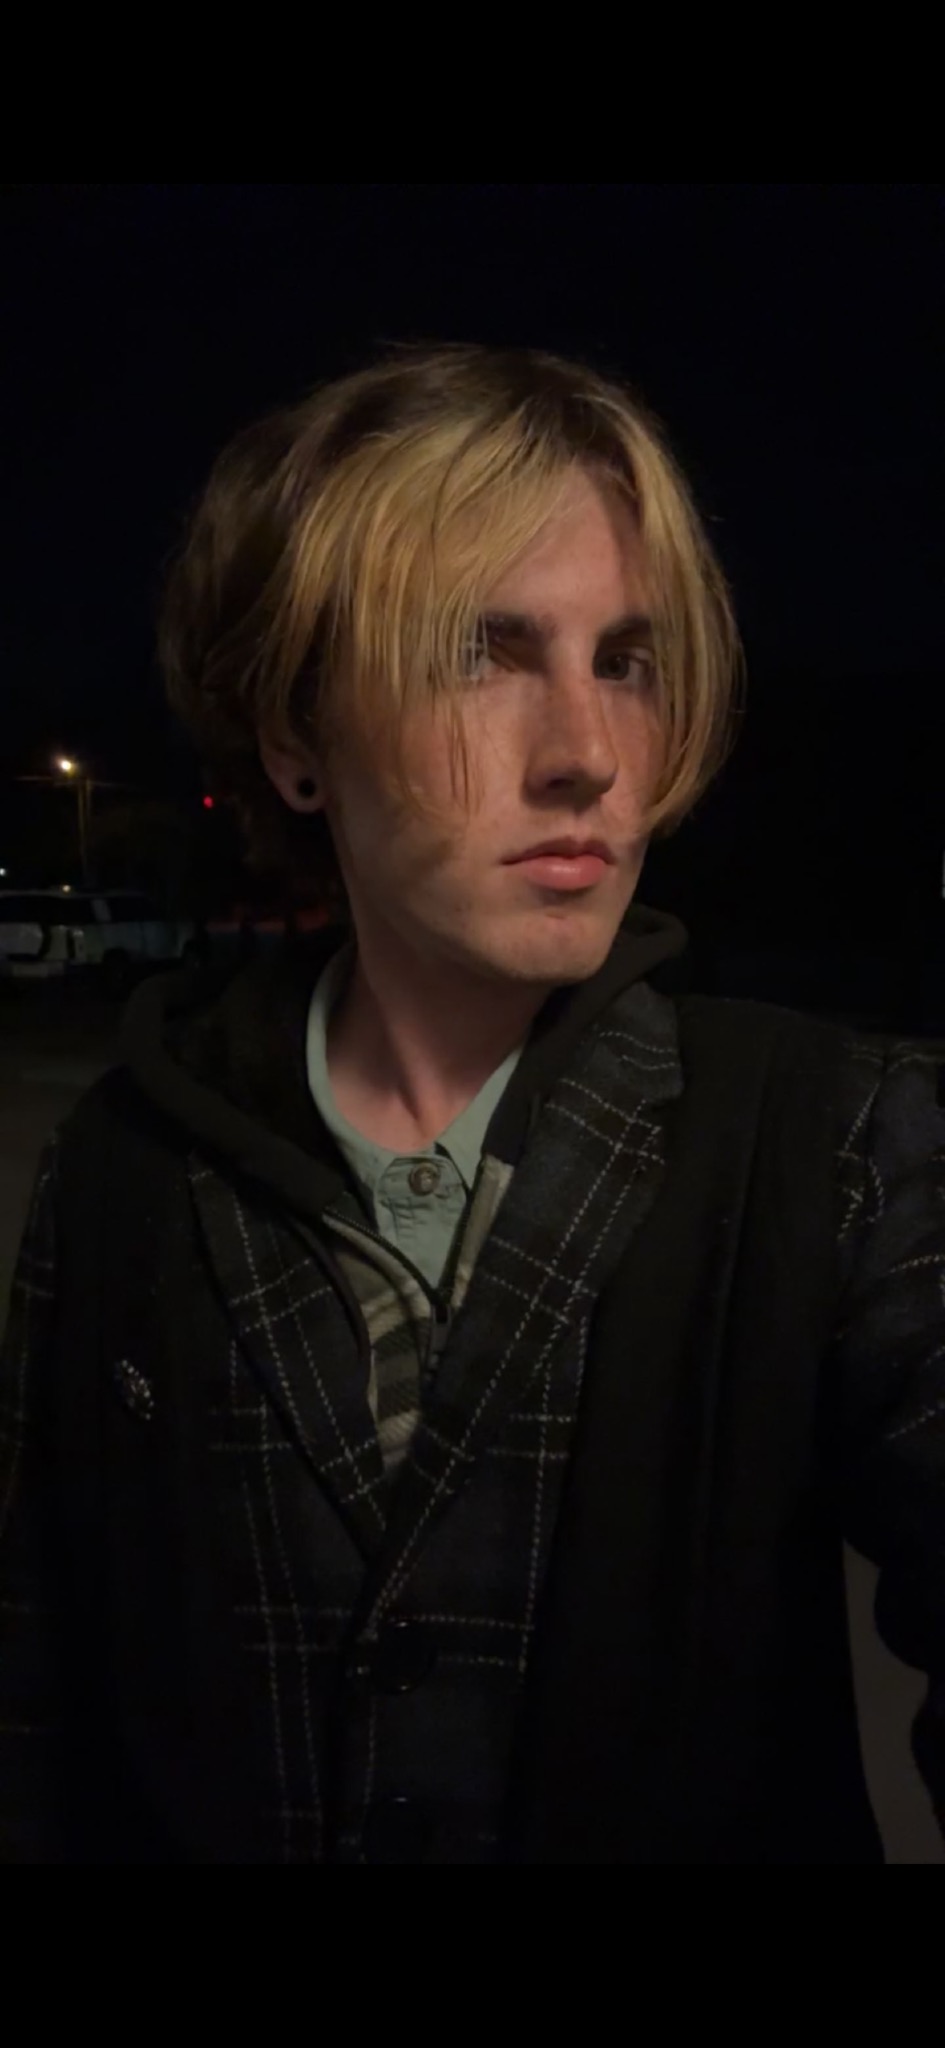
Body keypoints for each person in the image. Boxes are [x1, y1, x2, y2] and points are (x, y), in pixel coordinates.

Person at [2, 343, 943, 1864]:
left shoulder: (838, 1141)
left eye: (624, 660)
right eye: (476, 653)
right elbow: (38, 1718)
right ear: (296, 739)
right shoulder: (118, 1170)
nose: (587, 757)